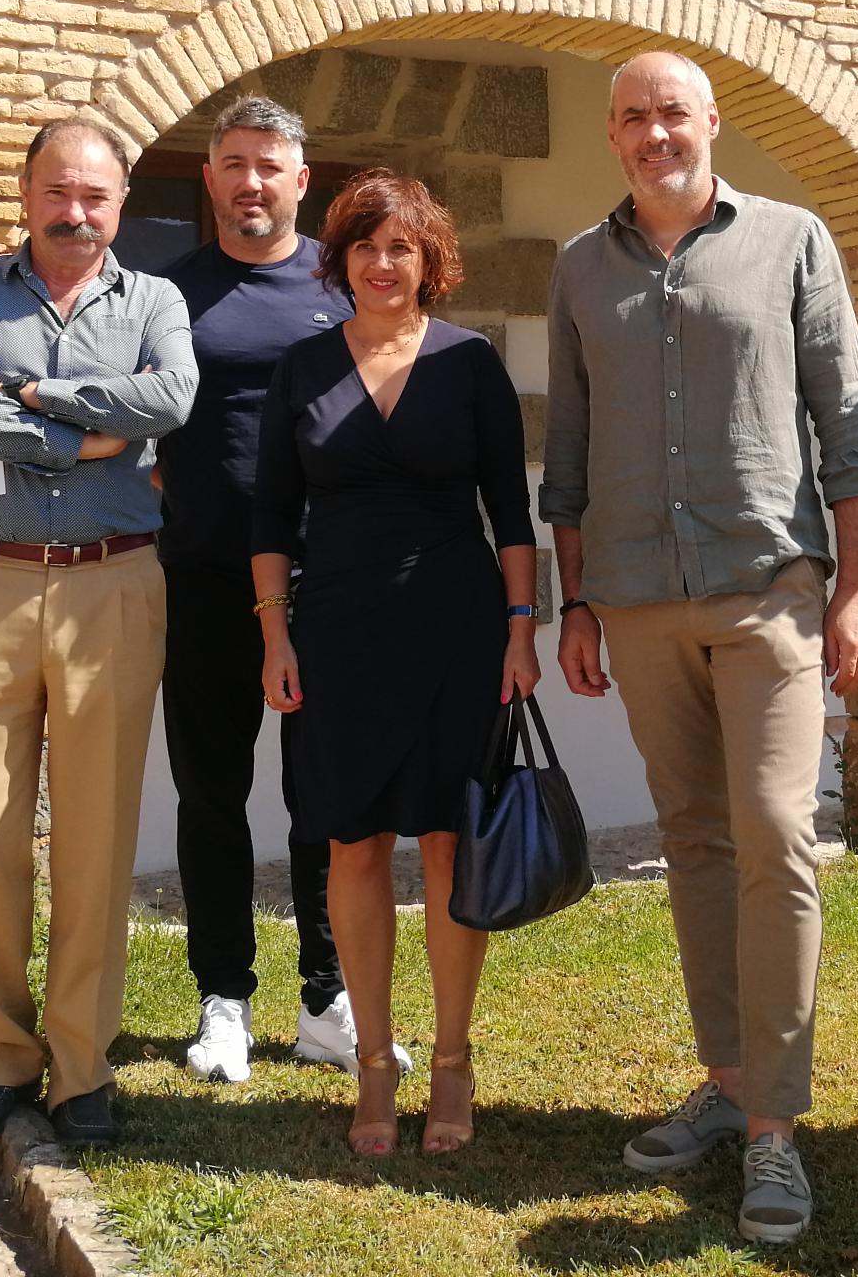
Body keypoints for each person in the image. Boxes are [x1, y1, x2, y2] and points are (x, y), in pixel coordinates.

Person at [545, 50, 858, 1250]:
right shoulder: (579, 267)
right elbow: (569, 448)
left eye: (673, 113)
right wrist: (575, 604)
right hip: (638, 597)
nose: (655, 133)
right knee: (692, 839)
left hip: (768, 591)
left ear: (710, 123)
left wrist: (854, 590)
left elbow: (849, 421)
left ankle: (776, 1127)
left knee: (776, 835)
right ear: (612, 135)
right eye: (634, 118)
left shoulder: (792, 239)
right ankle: (728, 1079)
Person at [0, 117, 198, 1148]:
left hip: (111, 585)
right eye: (57, 192)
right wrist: (87, 438)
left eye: (95, 196)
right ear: (26, 194)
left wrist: (32, 396)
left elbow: (171, 397)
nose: (75, 213)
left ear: (120, 203)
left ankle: (81, 1068)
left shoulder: (155, 300)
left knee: (95, 837)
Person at [251, 169, 539, 1158]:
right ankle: (374, 1063)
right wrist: (275, 636)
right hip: (337, 635)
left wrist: (521, 629)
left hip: (457, 630)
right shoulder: (302, 367)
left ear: (430, 262)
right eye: (366, 248)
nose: (383, 264)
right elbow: (269, 516)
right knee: (354, 843)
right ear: (341, 261)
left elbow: (510, 510)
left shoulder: (471, 363)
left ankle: (452, 1062)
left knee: (453, 843)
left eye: (401, 248)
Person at [139, 96, 399, 1086]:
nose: (251, 182)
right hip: (202, 578)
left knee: (323, 798)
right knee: (212, 794)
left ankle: (328, 1000)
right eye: (234, 164)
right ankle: (224, 1001)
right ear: (210, 179)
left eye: (269, 165)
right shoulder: (167, 293)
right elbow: (134, 422)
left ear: (302, 180)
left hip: (329, 586)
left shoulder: (343, 285)